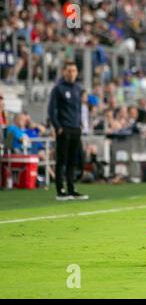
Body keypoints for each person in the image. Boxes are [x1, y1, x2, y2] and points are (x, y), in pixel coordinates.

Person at [48, 61, 89, 201]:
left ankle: (71, 189)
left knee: (73, 160)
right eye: (69, 70)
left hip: (76, 128)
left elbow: (78, 110)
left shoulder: (78, 88)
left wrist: (81, 124)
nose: (72, 73)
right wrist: (57, 127)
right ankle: (60, 190)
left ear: (77, 73)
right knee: (61, 160)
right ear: (64, 72)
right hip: (64, 129)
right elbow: (51, 110)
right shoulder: (58, 89)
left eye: (74, 71)